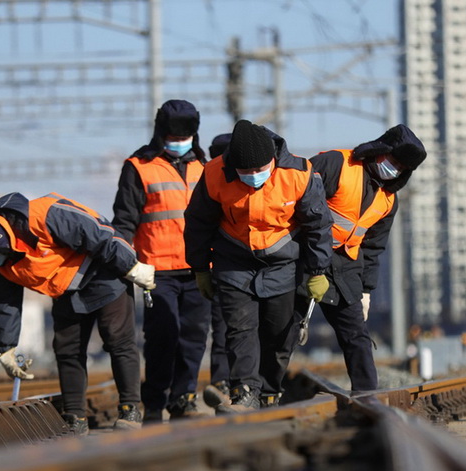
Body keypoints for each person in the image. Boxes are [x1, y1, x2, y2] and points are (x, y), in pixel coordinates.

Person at [0, 191, 156, 435]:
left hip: (104, 271)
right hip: (66, 289)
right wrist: (5, 346)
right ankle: (75, 417)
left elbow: (101, 234)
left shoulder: (45, 215)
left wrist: (131, 266)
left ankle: (130, 409)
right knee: (67, 349)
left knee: (117, 340)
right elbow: (5, 302)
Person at [184, 119, 333, 412]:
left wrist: (317, 271)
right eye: (245, 172)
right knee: (240, 330)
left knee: (279, 334)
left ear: (273, 161)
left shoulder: (299, 174)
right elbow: (198, 223)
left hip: (283, 265)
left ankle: (269, 392)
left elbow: (318, 225)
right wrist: (200, 268)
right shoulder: (214, 174)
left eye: (259, 170)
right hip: (233, 262)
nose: (253, 176)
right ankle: (245, 393)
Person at [303, 124, 427, 392]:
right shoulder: (337, 163)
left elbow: (372, 248)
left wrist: (367, 291)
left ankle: (367, 394)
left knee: (356, 335)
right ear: (379, 149)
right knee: (285, 330)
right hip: (303, 258)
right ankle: (265, 394)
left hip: (345, 268)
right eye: (392, 160)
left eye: (400, 168)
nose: (393, 168)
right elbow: (295, 200)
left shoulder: (388, 201)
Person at [112, 99, 212, 423]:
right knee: (162, 337)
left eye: (186, 135)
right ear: (160, 132)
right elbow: (124, 221)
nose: (179, 141)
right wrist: (127, 263)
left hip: (198, 268)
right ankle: (154, 402)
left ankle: (184, 398)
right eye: (173, 134)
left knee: (195, 337)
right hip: (158, 271)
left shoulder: (205, 166)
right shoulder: (138, 166)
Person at [203, 133, 233, 404]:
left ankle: (227, 381)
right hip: (222, 267)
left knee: (225, 328)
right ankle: (224, 383)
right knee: (224, 326)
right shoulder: (211, 184)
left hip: (232, 266)